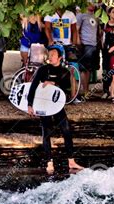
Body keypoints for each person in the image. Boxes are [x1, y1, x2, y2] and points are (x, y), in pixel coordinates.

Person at [27, 45, 84, 174]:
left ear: (59, 57)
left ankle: (71, 161)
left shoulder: (64, 72)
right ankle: (49, 162)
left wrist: (55, 84)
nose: (50, 57)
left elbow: (68, 91)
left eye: (53, 55)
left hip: (57, 105)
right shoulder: (42, 69)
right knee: (46, 132)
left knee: (67, 131)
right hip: (44, 105)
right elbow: (33, 87)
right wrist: (30, 105)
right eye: (49, 54)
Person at [77, 2, 101, 97]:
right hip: (85, 44)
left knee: (90, 68)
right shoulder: (81, 14)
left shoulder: (96, 15)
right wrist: (79, 43)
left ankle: (87, 90)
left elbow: (98, 31)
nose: (93, 5)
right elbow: (77, 29)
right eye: (91, 3)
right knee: (84, 68)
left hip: (94, 44)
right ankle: (85, 91)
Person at [101, 6, 114, 99]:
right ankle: (106, 90)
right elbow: (102, 37)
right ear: (109, 14)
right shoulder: (105, 24)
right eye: (113, 12)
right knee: (106, 70)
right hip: (106, 51)